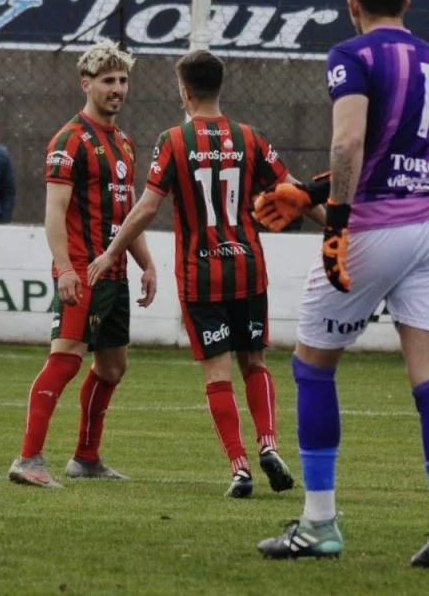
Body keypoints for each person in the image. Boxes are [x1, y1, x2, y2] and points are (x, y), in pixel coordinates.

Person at [251, 0, 429, 566]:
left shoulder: (352, 54)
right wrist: (311, 191)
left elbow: (350, 139)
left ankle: (320, 525)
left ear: (351, 4)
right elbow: (398, 153)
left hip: (378, 227)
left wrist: (334, 223)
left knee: (313, 367)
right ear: (405, 0)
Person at [88, 50, 308, 498]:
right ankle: (268, 444)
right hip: (248, 266)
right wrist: (343, 224)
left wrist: (112, 252)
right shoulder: (250, 138)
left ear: (185, 93)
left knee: (217, 374)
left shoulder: (172, 141)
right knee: (256, 363)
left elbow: (147, 207)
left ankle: (240, 467)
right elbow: (294, 193)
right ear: (218, 88)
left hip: (200, 274)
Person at [8, 41, 157, 489]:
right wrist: (65, 268)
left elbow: (127, 212)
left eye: (123, 80)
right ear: (86, 84)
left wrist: (146, 263)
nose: (117, 89)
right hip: (82, 272)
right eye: (108, 81)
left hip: (114, 275)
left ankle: (86, 458)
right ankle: (28, 458)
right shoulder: (69, 140)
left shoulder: (125, 143)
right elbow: (54, 212)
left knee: (112, 368)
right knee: (67, 357)